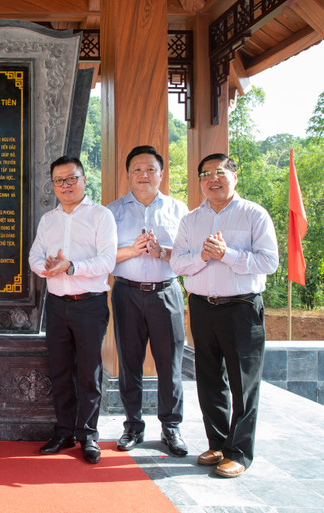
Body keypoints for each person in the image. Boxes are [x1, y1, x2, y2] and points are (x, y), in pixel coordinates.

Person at [171, 153, 278, 478]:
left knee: (244, 383)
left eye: (219, 172)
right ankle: (217, 443)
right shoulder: (191, 220)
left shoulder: (253, 215)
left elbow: (269, 262)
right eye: (205, 174)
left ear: (234, 175)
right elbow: (177, 263)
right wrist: (204, 257)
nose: (212, 180)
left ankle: (239, 452)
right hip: (203, 306)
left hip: (241, 308)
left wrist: (227, 255)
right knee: (209, 378)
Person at [28, 156, 117, 464]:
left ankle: (88, 435)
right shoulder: (48, 219)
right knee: (61, 371)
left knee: (89, 372)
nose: (65, 186)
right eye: (59, 181)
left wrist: (72, 267)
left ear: (83, 178)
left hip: (89, 304)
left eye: (71, 179)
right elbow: (35, 255)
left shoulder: (101, 216)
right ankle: (64, 432)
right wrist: (46, 269)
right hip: (57, 305)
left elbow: (108, 261)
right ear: (53, 185)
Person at [107, 145, 189, 456]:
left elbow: (190, 256)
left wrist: (162, 252)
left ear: (161, 173)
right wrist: (132, 250)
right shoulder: (111, 212)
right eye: (137, 170)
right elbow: (103, 258)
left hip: (166, 292)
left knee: (170, 363)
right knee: (129, 362)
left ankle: (171, 426)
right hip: (127, 292)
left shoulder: (179, 210)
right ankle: (133, 425)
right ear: (127, 174)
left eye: (151, 169)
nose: (144, 175)